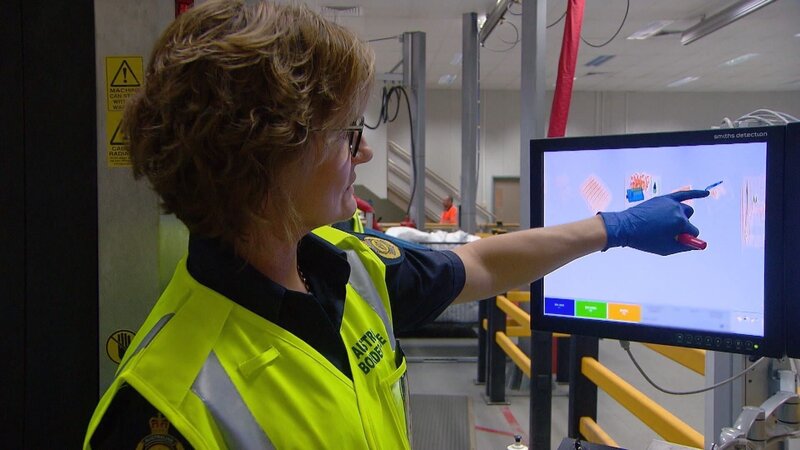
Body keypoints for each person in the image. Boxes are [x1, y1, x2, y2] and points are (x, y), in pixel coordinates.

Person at [83, 1, 709, 449]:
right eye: (347, 133)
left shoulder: (349, 268)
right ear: (270, 157)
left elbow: (481, 263)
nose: (364, 153)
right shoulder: (167, 406)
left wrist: (613, 227)